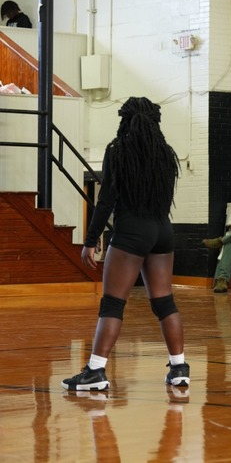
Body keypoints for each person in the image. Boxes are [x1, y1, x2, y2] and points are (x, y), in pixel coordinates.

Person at [62, 97, 189, 392]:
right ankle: (179, 367)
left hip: (132, 232)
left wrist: (90, 241)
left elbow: (105, 200)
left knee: (113, 303)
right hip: (163, 231)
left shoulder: (118, 151)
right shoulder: (166, 155)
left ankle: (95, 371)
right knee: (164, 301)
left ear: (125, 120)